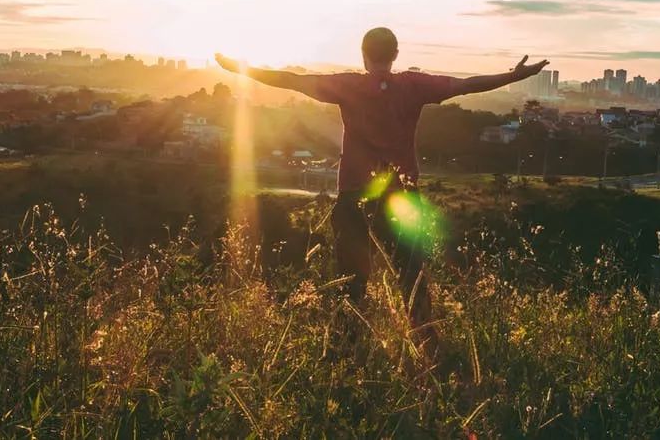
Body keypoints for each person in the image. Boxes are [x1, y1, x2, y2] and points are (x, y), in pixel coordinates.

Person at [216, 27, 548, 351]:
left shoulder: (349, 85)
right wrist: (513, 76)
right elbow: (465, 85)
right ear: (396, 55)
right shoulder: (414, 85)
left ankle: (347, 350)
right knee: (411, 275)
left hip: (355, 195)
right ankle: (428, 348)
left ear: (364, 56)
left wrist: (241, 69)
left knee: (351, 280)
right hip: (401, 195)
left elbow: (291, 80)